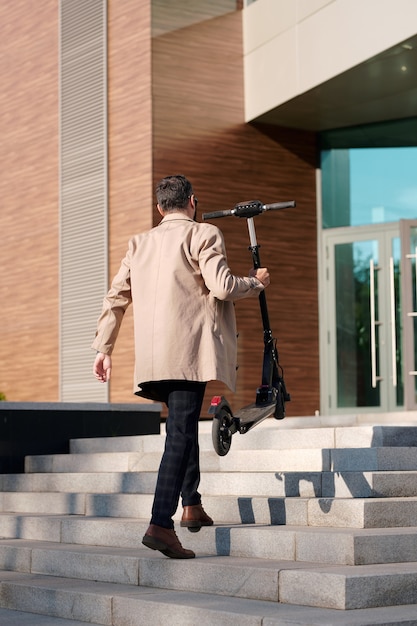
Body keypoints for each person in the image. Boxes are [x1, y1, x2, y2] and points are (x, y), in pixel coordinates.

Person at [92, 174, 270, 559]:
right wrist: (255, 283)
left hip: (154, 359)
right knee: (179, 435)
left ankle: (192, 502)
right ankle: (160, 522)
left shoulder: (138, 243)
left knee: (181, 427)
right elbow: (222, 286)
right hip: (189, 353)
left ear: (160, 208)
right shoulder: (203, 234)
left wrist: (104, 348)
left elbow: (116, 296)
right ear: (192, 201)